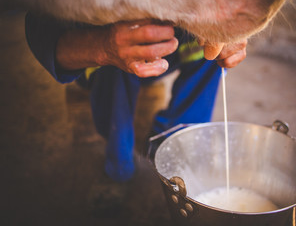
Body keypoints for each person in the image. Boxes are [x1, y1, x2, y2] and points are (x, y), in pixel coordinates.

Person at [25, 12, 247, 182]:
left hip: (172, 46)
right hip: (105, 54)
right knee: (118, 64)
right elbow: (40, 26)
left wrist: (235, 29)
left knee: (211, 52)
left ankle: (175, 139)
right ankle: (119, 164)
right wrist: (104, 46)